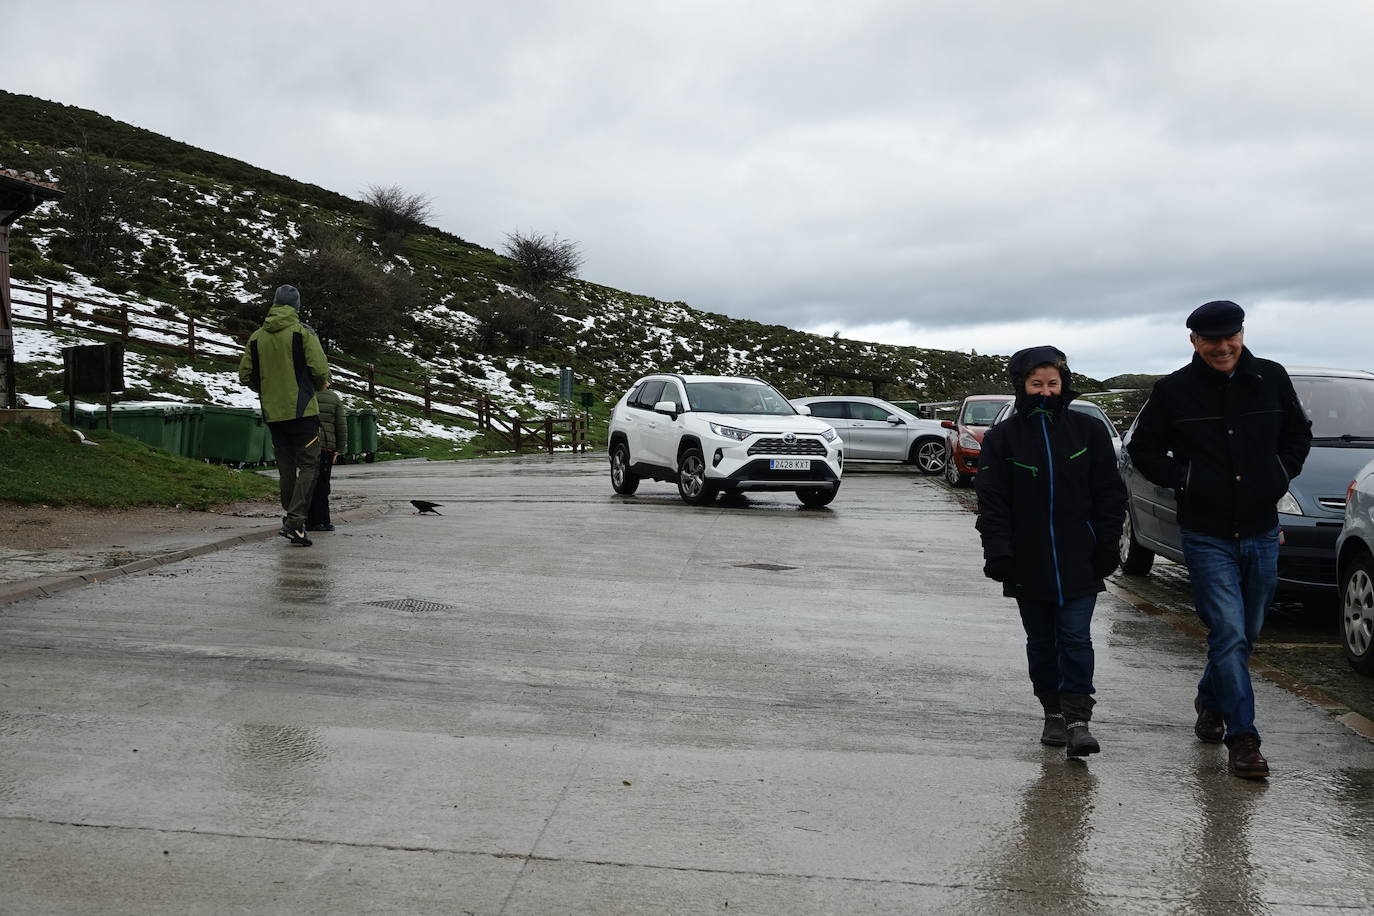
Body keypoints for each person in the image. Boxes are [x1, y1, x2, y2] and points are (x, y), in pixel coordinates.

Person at [1126, 300, 1311, 779]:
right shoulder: (1174, 390)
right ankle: (1243, 738)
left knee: (1245, 633)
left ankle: (1211, 699)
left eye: (1231, 337)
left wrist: (1280, 473)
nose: (1223, 347)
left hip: (1261, 530)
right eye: (1212, 340)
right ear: (1194, 341)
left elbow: (1298, 435)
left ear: (1242, 334)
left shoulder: (1270, 377)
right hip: (1206, 534)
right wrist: (1185, 478)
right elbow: (1143, 448)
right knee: (1227, 632)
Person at [975, 346, 1126, 758]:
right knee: (1042, 642)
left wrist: (1107, 543)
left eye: (1052, 383)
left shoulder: (1087, 432)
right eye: (1036, 383)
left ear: (1064, 385)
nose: (1045, 391)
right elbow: (992, 499)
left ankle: (1079, 719)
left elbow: (1109, 493)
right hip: (1027, 560)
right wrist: (998, 550)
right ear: (1021, 386)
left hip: (1080, 557)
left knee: (1075, 638)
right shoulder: (1003, 439)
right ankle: (1052, 712)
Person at [238, 285, 330, 547]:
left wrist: (265, 388)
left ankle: (290, 516)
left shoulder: (256, 337)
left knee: (286, 466)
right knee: (309, 466)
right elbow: (319, 368)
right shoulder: (303, 333)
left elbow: (245, 374)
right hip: (302, 412)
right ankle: (295, 521)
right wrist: (318, 384)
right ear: (296, 307)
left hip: (273, 413)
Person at [307, 384, 347, 532]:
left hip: (307, 445)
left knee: (308, 482)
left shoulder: (305, 392)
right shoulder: (333, 398)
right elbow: (341, 426)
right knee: (322, 483)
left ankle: (307, 519)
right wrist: (340, 449)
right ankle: (322, 520)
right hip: (325, 447)